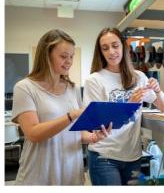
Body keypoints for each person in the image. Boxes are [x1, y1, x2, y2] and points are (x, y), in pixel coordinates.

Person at [11, 29, 111, 185]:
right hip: (38, 176)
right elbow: (33, 134)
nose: (69, 61)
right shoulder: (25, 88)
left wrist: (92, 137)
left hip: (71, 175)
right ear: (46, 55)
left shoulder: (73, 89)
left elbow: (77, 133)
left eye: (71, 57)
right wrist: (71, 115)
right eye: (64, 56)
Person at [83, 27, 164, 185]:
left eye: (115, 45)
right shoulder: (94, 80)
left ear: (124, 46)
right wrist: (129, 105)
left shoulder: (139, 77)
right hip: (104, 157)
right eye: (105, 48)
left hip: (133, 157)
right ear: (100, 52)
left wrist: (158, 90)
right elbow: (97, 123)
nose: (111, 52)